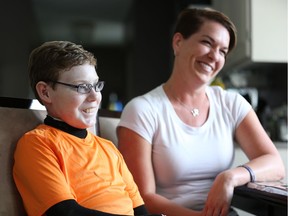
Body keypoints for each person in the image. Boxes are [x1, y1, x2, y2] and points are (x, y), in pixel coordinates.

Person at [117, 8, 285, 216]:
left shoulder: (231, 103)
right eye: (207, 42)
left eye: (223, 51)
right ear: (178, 42)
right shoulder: (142, 110)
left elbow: (275, 163)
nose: (215, 56)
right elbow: (142, 198)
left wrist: (230, 176)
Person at [13, 41, 164, 216]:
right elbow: (64, 212)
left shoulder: (108, 149)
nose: (94, 97)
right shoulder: (38, 143)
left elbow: (140, 211)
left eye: (96, 85)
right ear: (46, 92)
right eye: (82, 87)